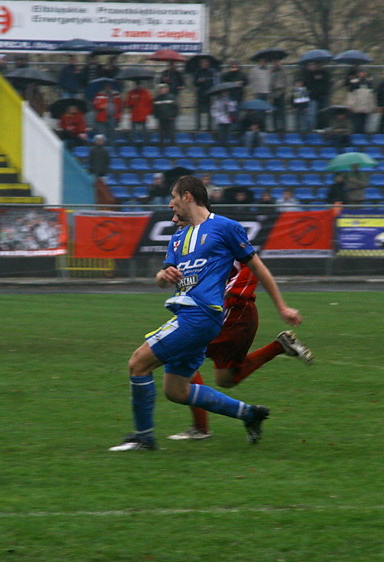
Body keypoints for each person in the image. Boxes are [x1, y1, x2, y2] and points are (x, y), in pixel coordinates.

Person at [108, 175, 303, 451]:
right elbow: (161, 279)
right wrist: (164, 275)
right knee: (176, 391)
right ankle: (250, 413)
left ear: (188, 196)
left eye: (173, 197)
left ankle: (144, 438)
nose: (170, 203)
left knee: (138, 363)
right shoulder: (177, 239)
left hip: (202, 315)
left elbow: (258, 267)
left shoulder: (226, 227)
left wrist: (282, 307)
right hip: (187, 316)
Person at [168, 224, 312, 441]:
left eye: (176, 202)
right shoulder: (188, 239)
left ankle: (201, 428)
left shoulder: (219, 232)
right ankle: (278, 349)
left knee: (181, 353)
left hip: (232, 311)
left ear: (189, 200)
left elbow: (251, 269)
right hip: (223, 312)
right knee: (226, 378)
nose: (172, 212)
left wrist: (215, 301)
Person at [301, 61, 330, 130]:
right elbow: (302, 87)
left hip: (314, 97)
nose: (312, 67)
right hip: (308, 96)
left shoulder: (319, 74)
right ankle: (307, 129)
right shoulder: (306, 75)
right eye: (310, 65)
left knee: (315, 114)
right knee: (308, 114)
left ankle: (314, 128)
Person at [346, 67, 374, 134]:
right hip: (356, 107)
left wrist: (371, 106)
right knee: (357, 123)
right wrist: (350, 105)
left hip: (365, 107)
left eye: (363, 72)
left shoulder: (368, 83)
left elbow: (371, 96)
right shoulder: (353, 83)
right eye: (360, 73)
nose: (362, 74)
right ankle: (356, 136)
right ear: (358, 74)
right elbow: (350, 95)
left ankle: (362, 137)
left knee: (364, 123)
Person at [192, 57, 216, 130]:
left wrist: (206, 81)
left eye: (206, 63)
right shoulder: (198, 72)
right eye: (203, 63)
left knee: (209, 110)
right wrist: (199, 81)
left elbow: (213, 83)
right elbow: (194, 83)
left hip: (208, 93)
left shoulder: (211, 72)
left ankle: (209, 126)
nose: (204, 64)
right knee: (198, 111)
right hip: (200, 92)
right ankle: (198, 126)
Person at [125, 81, 152, 145]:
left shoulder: (146, 93)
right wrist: (134, 100)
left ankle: (146, 144)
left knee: (144, 130)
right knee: (133, 131)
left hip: (143, 115)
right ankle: (132, 144)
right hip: (135, 115)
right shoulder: (131, 93)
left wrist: (147, 113)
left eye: (140, 85)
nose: (138, 86)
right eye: (137, 85)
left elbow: (149, 103)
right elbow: (128, 104)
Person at [269, 60, 288, 133]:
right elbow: (270, 83)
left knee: (282, 112)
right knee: (274, 112)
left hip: (281, 93)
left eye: (277, 62)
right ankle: (275, 128)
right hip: (273, 95)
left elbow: (286, 81)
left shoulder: (283, 71)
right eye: (274, 62)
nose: (276, 63)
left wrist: (282, 88)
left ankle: (283, 129)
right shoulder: (271, 71)